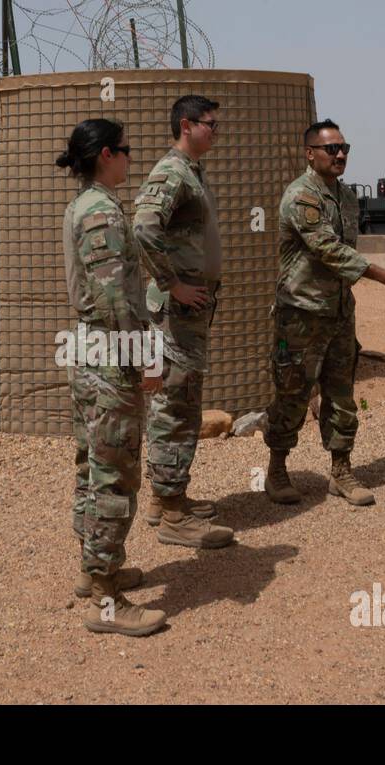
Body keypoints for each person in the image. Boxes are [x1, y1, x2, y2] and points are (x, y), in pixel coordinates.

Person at [264, 119, 385, 506]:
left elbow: (348, 253)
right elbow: (329, 250)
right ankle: (277, 469)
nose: (340, 155)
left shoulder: (347, 197)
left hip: (338, 311)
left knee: (341, 393)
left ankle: (341, 470)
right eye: (331, 149)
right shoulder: (302, 196)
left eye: (344, 148)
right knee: (292, 392)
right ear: (309, 153)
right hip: (300, 312)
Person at [60, 118, 166, 637]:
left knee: (92, 464)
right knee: (115, 473)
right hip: (109, 354)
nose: (130, 159)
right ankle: (104, 597)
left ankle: (93, 568)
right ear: (106, 154)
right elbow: (111, 297)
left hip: (90, 351)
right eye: (125, 151)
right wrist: (142, 355)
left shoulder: (86, 204)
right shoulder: (99, 210)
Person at [132, 95, 235, 549]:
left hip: (189, 311)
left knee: (176, 399)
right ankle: (174, 515)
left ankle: (165, 499)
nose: (217, 131)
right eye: (211, 124)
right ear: (187, 125)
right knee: (178, 404)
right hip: (177, 311)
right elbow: (143, 228)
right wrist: (172, 284)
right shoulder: (172, 172)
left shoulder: (192, 172)